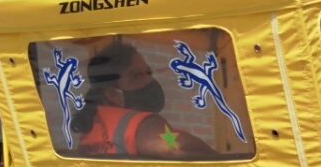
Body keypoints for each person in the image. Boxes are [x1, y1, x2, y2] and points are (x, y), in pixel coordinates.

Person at [70, 41, 214, 159]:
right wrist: (215, 157)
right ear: (112, 94)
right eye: (137, 76)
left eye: (148, 72)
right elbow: (174, 148)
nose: (149, 81)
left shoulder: (94, 124)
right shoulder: (137, 123)